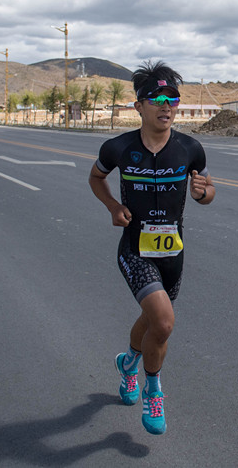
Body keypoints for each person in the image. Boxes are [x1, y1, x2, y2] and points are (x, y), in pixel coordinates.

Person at [88, 60, 215, 435]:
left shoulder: (191, 149)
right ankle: (153, 388)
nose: (166, 105)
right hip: (135, 250)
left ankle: (127, 363)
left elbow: (207, 191)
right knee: (163, 321)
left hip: (172, 254)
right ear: (138, 106)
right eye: (156, 98)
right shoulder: (118, 148)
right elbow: (95, 177)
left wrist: (204, 193)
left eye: (172, 98)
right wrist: (113, 206)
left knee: (152, 322)